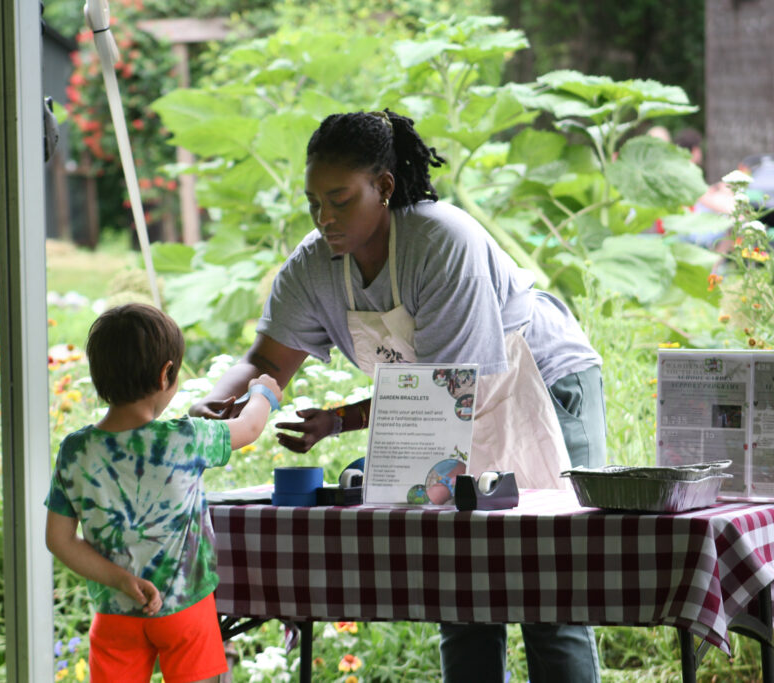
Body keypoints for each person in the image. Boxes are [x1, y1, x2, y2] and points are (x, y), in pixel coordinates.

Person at [189, 110, 606, 683]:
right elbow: (265, 362)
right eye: (314, 201)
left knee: (550, 587)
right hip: (448, 398)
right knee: (463, 588)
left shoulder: (440, 242)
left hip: (540, 386)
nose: (324, 216)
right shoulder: (316, 266)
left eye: (340, 199)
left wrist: (337, 420)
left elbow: (444, 392)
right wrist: (213, 404)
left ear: (383, 187)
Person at [45, 303, 283, 683]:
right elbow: (250, 427)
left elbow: (58, 540)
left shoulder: (76, 451)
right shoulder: (185, 437)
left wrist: (121, 579)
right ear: (165, 375)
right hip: (185, 609)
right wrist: (262, 393)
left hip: (115, 613)